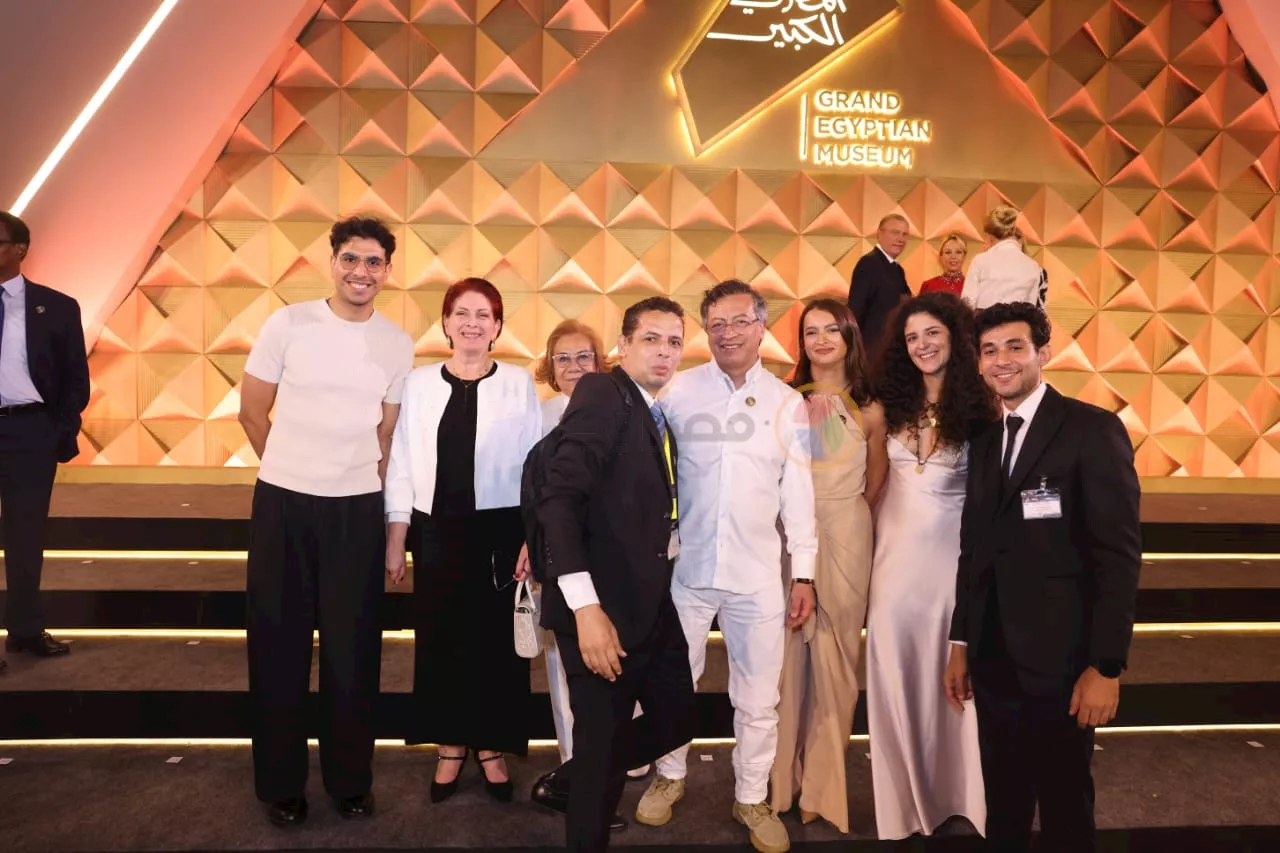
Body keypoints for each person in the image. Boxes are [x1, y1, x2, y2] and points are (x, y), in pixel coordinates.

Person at [945, 302, 1141, 853]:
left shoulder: (1091, 429)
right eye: (989, 350)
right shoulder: (986, 440)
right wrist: (961, 644)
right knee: (1003, 805)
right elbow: (973, 552)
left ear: (1043, 353)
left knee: (1065, 807)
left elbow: (1117, 556)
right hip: (993, 658)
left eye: (1015, 347)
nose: (1001, 360)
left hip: (1064, 664)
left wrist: (1106, 666)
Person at [239, 215, 414, 826]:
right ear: (332, 261)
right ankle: (280, 786)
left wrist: (380, 513)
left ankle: (350, 781)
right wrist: (294, 471)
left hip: (357, 510)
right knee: (278, 647)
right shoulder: (288, 323)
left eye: (373, 262)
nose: (361, 271)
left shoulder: (397, 343)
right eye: (350, 259)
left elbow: (386, 435)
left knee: (354, 651)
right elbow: (251, 411)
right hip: (283, 504)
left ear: (387, 271)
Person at [640, 280, 817, 853]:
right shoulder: (677, 391)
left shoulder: (788, 403)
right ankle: (669, 776)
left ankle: (751, 796)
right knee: (673, 683)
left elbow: (799, 495)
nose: (727, 333)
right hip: (686, 570)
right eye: (716, 324)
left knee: (759, 697)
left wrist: (804, 573)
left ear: (762, 328)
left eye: (739, 321)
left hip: (758, 575)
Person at [537, 296, 697, 853]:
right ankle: (585, 787)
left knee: (677, 717)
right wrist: (586, 609)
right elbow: (559, 498)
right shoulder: (603, 391)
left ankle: (576, 776)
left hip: (650, 602)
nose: (664, 351)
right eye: (651, 339)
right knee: (601, 766)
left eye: (674, 342)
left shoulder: (649, 409)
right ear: (623, 346)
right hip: (600, 609)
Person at [384, 277, 541, 804]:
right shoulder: (418, 383)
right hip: (437, 529)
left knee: (496, 645)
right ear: (446, 323)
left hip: (501, 529)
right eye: (462, 313)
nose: (472, 324)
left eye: (483, 315)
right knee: (440, 640)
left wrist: (532, 534)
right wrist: (397, 533)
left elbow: (534, 465)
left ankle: (491, 746)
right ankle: (450, 745)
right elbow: (402, 459)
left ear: (497, 328)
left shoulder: (517, 383)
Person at [864, 292, 994, 840]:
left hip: (951, 565)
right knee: (895, 674)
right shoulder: (887, 406)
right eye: (912, 337)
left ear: (956, 338)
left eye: (932, 334)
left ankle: (961, 796)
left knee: (953, 679)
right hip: (892, 566)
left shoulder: (985, 409)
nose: (921, 345)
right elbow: (871, 490)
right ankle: (903, 805)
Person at [770, 298, 886, 833]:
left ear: (849, 337)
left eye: (830, 330)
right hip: (790, 535)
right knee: (785, 661)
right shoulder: (784, 399)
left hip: (846, 531)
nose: (820, 340)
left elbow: (876, 483)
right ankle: (780, 783)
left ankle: (823, 788)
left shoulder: (872, 407)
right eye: (810, 331)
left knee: (837, 662)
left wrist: (847, 522)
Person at [0, 211, 89, 671]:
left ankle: (25, 630)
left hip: (29, 432)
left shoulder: (56, 306)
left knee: (25, 537)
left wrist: (59, 430)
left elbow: (76, 379)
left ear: (20, 249)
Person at [847, 214, 912, 357]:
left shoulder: (898, 269)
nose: (900, 239)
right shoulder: (869, 263)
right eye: (895, 232)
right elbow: (855, 310)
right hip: (872, 351)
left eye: (904, 234)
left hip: (892, 351)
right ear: (879, 234)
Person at [961, 206, 1047, 310]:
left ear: (989, 236)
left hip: (986, 319)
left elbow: (968, 304)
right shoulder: (1033, 266)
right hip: (1019, 319)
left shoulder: (980, 261)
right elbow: (1031, 309)